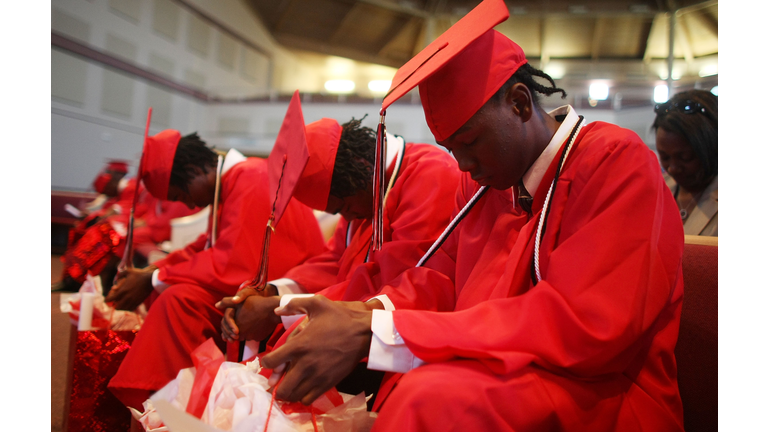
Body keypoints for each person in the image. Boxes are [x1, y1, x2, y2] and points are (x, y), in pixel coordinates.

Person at [256, 1, 686, 430]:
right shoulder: (485, 185)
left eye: (471, 142)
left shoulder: (615, 162)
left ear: (519, 104)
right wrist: (363, 318)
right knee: (408, 386)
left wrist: (383, 330)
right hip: (504, 366)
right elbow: (439, 278)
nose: (462, 165)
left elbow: (587, 323)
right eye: (452, 150)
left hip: (604, 389)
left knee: (433, 397)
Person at [216, 111, 460, 400]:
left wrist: (280, 308)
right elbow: (335, 261)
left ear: (360, 168)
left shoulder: (431, 174)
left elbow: (410, 284)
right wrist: (270, 291)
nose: (348, 216)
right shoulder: (367, 189)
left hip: (405, 335)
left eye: (342, 207)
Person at [106, 130, 325, 410]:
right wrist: (154, 270)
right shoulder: (232, 182)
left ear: (195, 170)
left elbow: (236, 262)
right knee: (179, 296)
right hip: (256, 283)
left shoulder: (251, 177)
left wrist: (154, 278)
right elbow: (207, 245)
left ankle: (177, 403)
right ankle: (169, 401)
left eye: (182, 194)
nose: (189, 205)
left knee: (179, 301)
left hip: (288, 291)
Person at [52, 162, 195, 292]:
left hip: (162, 231)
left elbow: (163, 225)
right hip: (149, 226)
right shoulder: (161, 190)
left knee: (119, 236)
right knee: (102, 230)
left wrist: (141, 221)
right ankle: (77, 276)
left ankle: (100, 280)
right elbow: (146, 211)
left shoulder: (177, 192)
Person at [653, 89, 718, 236]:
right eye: (664, 157)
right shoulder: (655, 191)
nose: (673, 168)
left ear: (713, 147)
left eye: (686, 157)